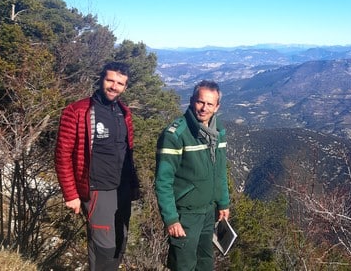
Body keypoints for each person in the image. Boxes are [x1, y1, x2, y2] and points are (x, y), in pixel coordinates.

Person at [54, 62, 140, 271]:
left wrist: (134, 185)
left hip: (122, 190)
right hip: (98, 190)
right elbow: (62, 155)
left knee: (120, 241)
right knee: (104, 247)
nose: (114, 86)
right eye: (110, 80)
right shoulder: (78, 111)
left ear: (125, 87)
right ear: (101, 79)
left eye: (120, 83)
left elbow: (128, 153)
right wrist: (71, 194)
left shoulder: (124, 112)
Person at [155, 80, 231, 270]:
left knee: (205, 263)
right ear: (191, 101)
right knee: (183, 265)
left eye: (210, 104)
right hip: (185, 214)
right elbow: (163, 181)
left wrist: (223, 202)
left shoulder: (218, 131)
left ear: (217, 107)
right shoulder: (175, 134)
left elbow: (220, 171)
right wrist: (171, 219)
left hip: (208, 212)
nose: (204, 108)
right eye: (200, 102)